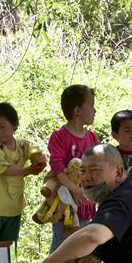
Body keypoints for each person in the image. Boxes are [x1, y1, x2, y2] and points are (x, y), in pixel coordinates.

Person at [0, 102, 46, 243]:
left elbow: (36, 154)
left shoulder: (23, 145)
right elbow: (5, 169)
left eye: (2, 127)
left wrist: (39, 162)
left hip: (14, 208)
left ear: (15, 124)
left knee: (9, 249)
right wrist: (29, 170)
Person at [46, 84, 99, 253]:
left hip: (87, 205)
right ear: (77, 110)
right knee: (62, 247)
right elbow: (57, 167)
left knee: (82, 248)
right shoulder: (59, 136)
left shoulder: (92, 137)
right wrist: (74, 189)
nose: (94, 110)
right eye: (91, 105)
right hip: (65, 206)